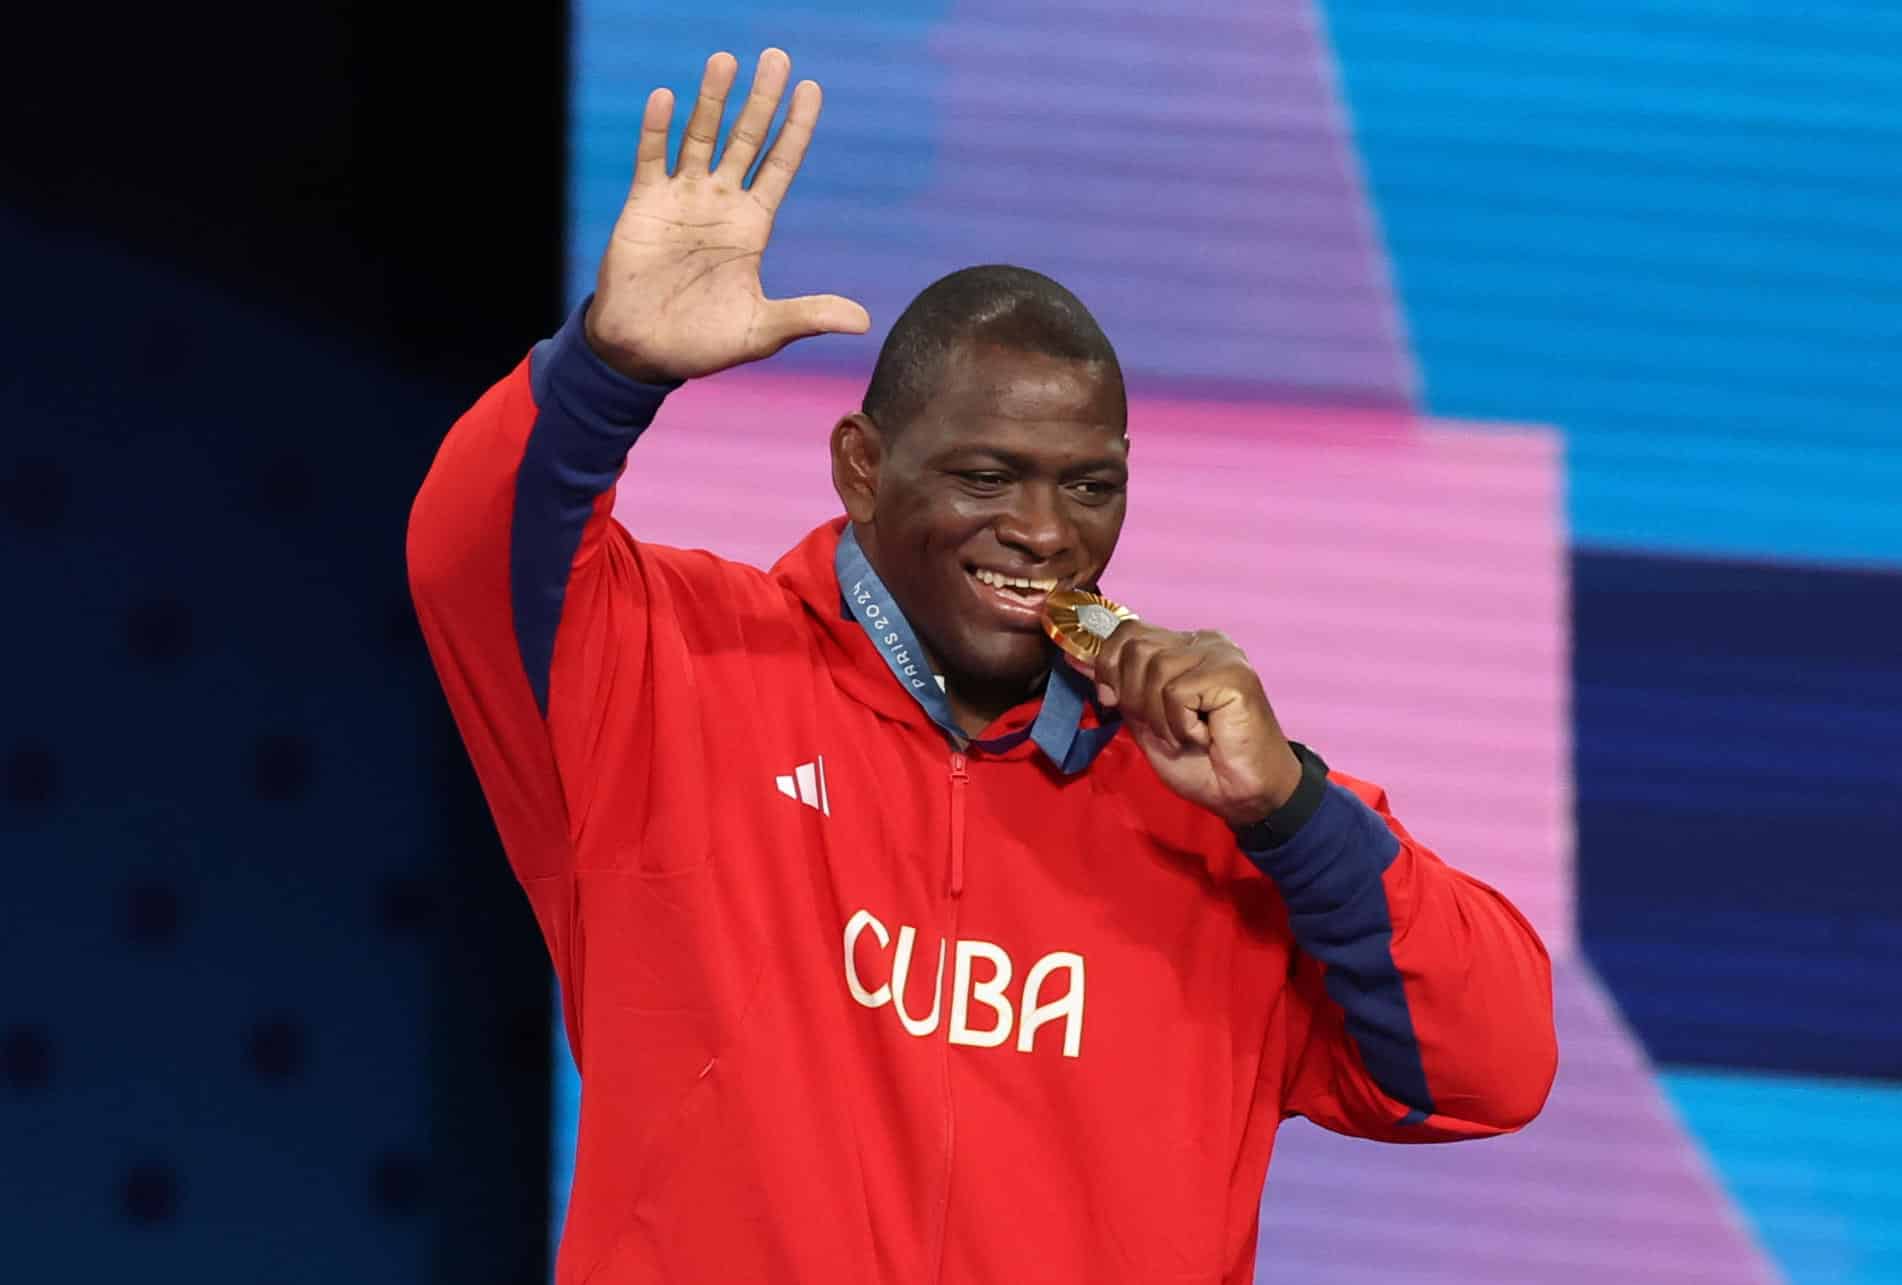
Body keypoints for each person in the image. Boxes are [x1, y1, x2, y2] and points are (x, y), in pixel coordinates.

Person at [407, 47, 1556, 1285]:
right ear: (862, 466)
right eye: (986, 477)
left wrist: (1292, 814)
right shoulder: (675, 672)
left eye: (1089, 485)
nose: (1048, 533)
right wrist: (607, 371)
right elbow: (467, 558)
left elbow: (1491, 1064)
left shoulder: (1218, 809)